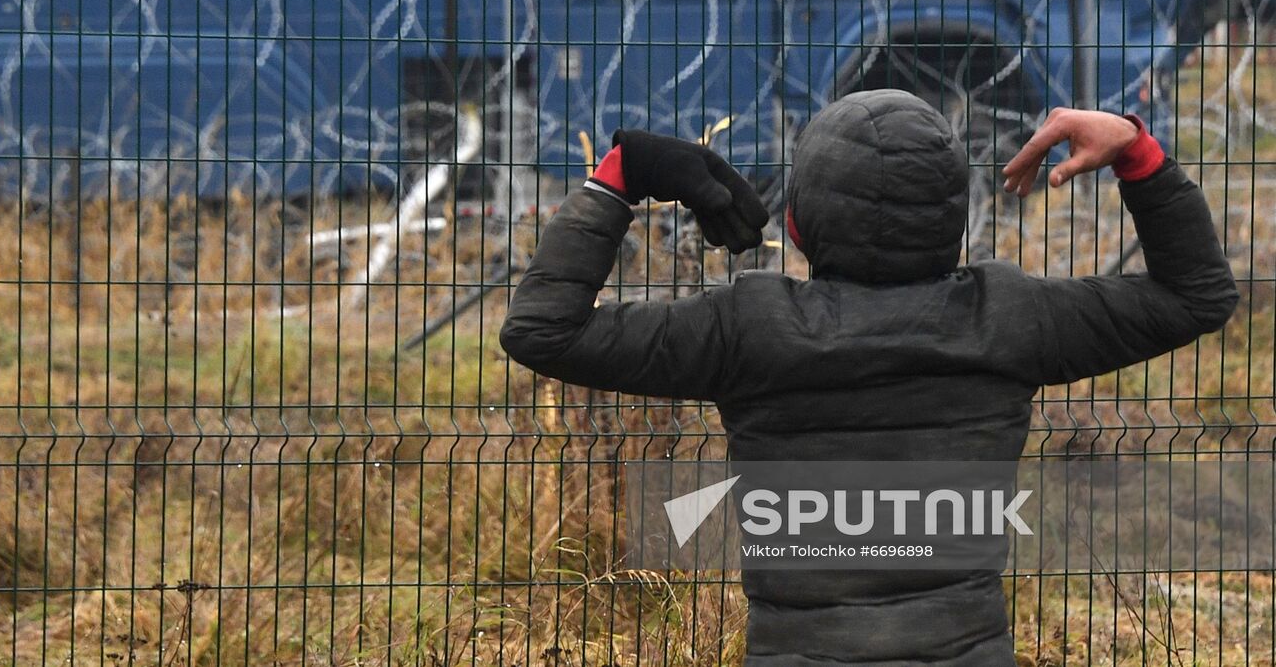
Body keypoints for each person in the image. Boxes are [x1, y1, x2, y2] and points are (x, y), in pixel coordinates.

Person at [499, 89, 1239, 666]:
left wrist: (621, 176)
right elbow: (1196, 294)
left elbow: (542, 329)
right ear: (956, 220)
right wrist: (1139, 154)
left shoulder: (747, 332)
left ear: (795, 224)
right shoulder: (1013, 320)